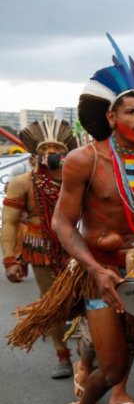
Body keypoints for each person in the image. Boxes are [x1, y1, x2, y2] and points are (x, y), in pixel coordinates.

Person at [8, 37, 134, 404]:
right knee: (115, 368)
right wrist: (94, 265)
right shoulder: (83, 160)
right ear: (110, 115)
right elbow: (62, 224)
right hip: (99, 273)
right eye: (131, 112)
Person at [2, 116, 80, 378]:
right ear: (36, 154)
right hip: (42, 249)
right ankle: (63, 355)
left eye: (57, 151)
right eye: (45, 151)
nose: (51, 155)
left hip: (80, 247)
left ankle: (92, 353)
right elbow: (9, 224)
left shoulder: (79, 180)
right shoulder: (22, 183)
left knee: (90, 302)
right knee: (53, 303)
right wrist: (11, 259)